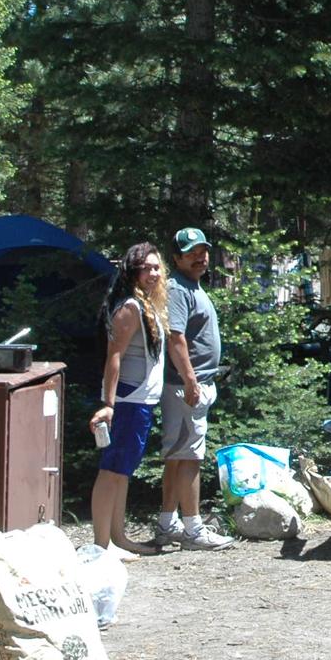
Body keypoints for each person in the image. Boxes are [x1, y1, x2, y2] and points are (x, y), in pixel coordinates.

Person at [151, 228, 233, 551]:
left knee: (177, 456)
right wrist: (190, 380)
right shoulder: (177, 289)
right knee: (190, 457)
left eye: (203, 251)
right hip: (187, 386)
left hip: (193, 384)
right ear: (177, 258)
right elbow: (176, 338)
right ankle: (193, 529)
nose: (200, 257)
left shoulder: (193, 286)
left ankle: (167, 522)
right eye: (191, 253)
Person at [90, 242, 168, 556]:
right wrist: (109, 404)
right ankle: (100, 545)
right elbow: (114, 356)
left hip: (142, 400)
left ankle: (118, 538)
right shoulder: (130, 307)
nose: (153, 273)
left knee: (123, 469)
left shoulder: (144, 303)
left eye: (156, 267)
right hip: (127, 399)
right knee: (111, 469)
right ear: (132, 272)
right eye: (146, 268)